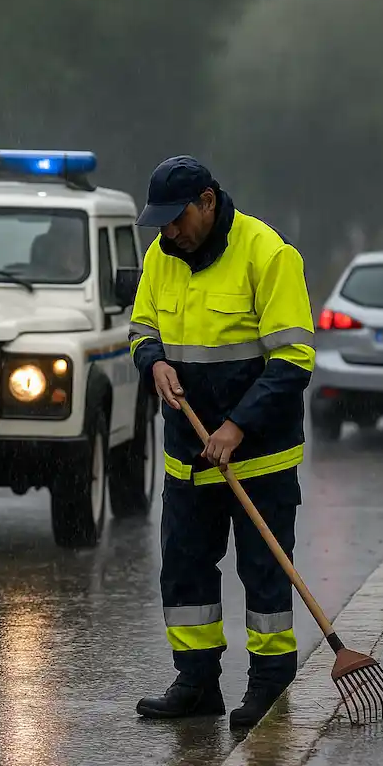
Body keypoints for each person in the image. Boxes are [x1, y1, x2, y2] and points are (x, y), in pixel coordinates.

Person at [127, 156, 315, 729]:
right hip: (189, 453)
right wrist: (153, 362)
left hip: (257, 454)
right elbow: (142, 326)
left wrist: (237, 426)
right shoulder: (162, 256)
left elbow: (293, 359)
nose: (168, 233)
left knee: (263, 572)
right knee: (185, 572)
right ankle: (197, 682)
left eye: (177, 218)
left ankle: (269, 688)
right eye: (159, 223)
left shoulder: (269, 254)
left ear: (208, 201)